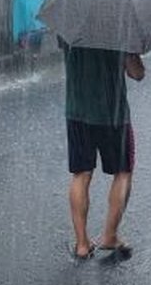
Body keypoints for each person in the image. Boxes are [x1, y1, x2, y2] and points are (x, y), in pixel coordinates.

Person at [60, 39, 145, 260]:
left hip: (77, 110)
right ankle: (110, 236)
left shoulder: (71, 26)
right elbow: (136, 73)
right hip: (113, 114)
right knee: (123, 172)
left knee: (81, 174)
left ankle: (81, 244)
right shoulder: (121, 28)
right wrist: (132, 52)